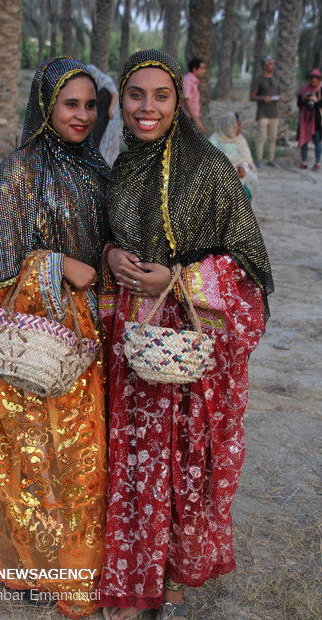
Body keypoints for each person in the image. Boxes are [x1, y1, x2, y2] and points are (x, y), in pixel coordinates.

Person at [98, 49, 273, 620]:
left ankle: (170, 580)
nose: (147, 108)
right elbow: (108, 238)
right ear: (120, 102)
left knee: (183, 459)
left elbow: (249, 264)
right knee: (137, 460)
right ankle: (136, 580)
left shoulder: (207, 166)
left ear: (179, 101)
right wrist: (111, 253)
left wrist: (177, 279)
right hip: (136, 338)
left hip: (189, 340)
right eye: (135, 96)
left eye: (161, 96)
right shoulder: (122, 167)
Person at [0, 57, 111, 618]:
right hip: (34, 338)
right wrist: (55, 265)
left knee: (82, 454)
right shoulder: (17, 171)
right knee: (35, 455)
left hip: (88, 343)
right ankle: (28, 564)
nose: (82, 115)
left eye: (91, 105)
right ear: (45, 105)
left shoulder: (97, 168)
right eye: (71, 104)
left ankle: (73, 565)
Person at [209, 112, 258, 202]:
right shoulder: (214, 139)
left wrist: (242, 170)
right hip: (222, 176)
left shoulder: (240, 140)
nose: (240, 128)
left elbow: (246, 159)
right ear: (229, 126)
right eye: (238, 125)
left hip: (241, 174)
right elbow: (212, 161)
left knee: (250, 183)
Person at [250, 55, 282, 168]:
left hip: (274, 112)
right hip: (263, 112)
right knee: (261, 137)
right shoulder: (258, 79)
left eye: (273, 63)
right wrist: (263, 98)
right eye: (270, 63)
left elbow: (278, 92)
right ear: (264, 66)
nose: (272, 65)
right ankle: (259, 159)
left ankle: (271, 159)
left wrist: (279, 97)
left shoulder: (275, 79)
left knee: (273, 138)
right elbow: (252, 96)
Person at [87, 64, 121, 166]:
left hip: (107, 115)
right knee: (96, 136)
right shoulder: (97, 84)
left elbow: (115, 94)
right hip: (100, 114)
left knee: (103, 136)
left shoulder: (107, 81)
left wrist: (111, 110)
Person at [297, 68, 322, 170]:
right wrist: (303, 99)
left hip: (316, 120)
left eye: (316, 80)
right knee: (304, 140)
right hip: (305, 120)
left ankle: (317, 162)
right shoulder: (304, 90)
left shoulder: (321, 90)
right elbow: (298, 104)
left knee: (317, 141)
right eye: (312, 80)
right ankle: (304, 161)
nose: (313, 82)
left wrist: (316, 101)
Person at [181, 57, 206, 134]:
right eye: (202, 68)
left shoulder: (194, 81)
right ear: (195, 69)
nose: (204, 71)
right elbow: (187, 101)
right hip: (189, 118)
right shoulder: (187, 80)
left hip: (193, 118)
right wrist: (197, 121)